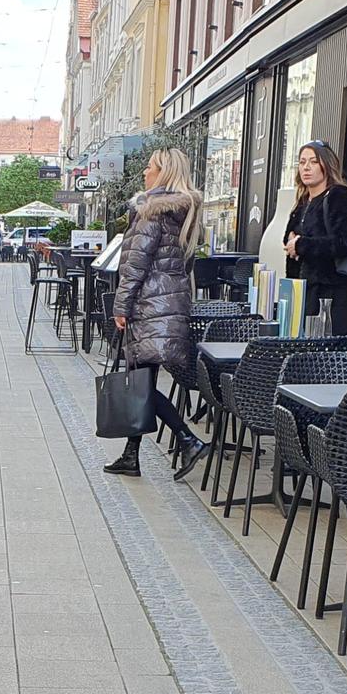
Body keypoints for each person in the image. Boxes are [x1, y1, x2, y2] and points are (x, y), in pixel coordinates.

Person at [104, 149, 208, 481]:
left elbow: (135, 264)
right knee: (141, 382)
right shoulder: (186, 213)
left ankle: (188, 439)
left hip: (149, 307)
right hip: (170, 306)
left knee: (143, 386)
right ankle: (131, 456)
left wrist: (121, 307)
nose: (145, 173)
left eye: (149, 168)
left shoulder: (150, 211)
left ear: (162, 173)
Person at [282, 140, 347, 336]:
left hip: (333, 296)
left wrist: (301, 244)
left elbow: (345, 242)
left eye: (313, 162)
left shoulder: (339, 196)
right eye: (301, 162)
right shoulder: (303, 200)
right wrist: (291, 241)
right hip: (304, 293)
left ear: (326, 165)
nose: (306, 168)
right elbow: (290, 237)